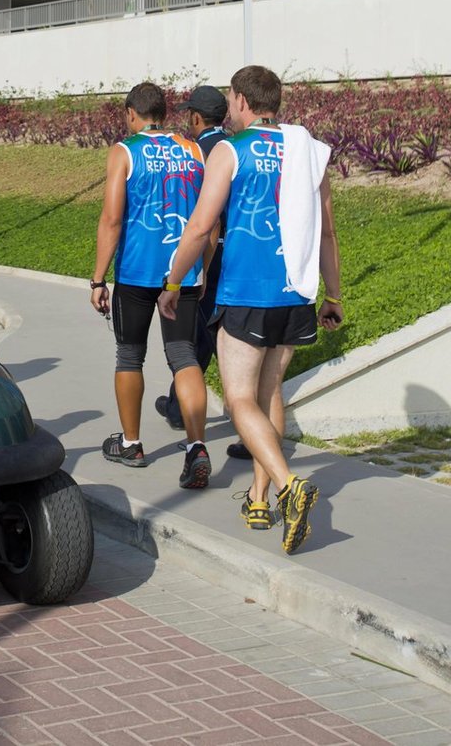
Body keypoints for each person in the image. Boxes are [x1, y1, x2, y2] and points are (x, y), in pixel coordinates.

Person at [158, 65, 344, 555]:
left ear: (240, 101)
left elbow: (200, 226)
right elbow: (326, 231)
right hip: (297, 292)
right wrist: (334, 295)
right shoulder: (309, 151)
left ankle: (289, 487)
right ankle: (259, 501)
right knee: (269, 394)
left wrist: (174, 281)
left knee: (239, 399)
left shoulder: (230, 149)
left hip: (245, 291)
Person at [90, 82, 212, 490]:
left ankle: (131, 444)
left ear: (131, 114)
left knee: (129, 356)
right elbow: (209, 221)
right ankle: (197, 446)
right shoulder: (194, 150)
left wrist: (97, 278)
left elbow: (111, 219)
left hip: (137, 273)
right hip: (183, 272)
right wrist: (203, 268)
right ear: (164, 112)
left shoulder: (124, 151)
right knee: (184, 356)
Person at [157, 85, 229, 435]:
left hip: (209, 250)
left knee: (204, 335)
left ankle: (242, 416)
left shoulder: (196, 153)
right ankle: (176, 405)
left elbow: (204, 219)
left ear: (196, 117)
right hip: (241, 250)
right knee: (206, 335)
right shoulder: (235, 146)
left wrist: (197, 264)